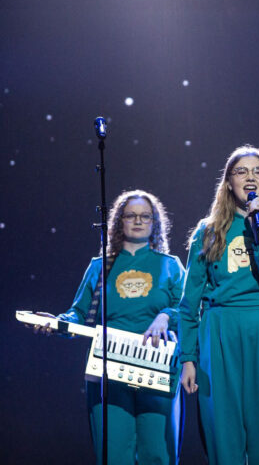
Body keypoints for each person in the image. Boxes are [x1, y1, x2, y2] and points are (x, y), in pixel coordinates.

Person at [41, 189, 185, 465]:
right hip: (108, 369)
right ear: (119, 221)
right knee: (113, 452)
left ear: (156, 223)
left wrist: (166, 316)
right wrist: (57, 323)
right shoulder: (99, 267)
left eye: (146, 216)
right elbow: (79, 313)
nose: (139, 221)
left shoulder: (171, 266)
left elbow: (191, 308)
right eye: (131, 215)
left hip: (157, 366)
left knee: (157, 452)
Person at [178, 145, 259, 464]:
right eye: (241, 171)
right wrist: (188, 358)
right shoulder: (208, 231)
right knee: (224, 434)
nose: (250, 176)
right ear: (228, 182)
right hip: (219, 333)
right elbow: (189, 303)